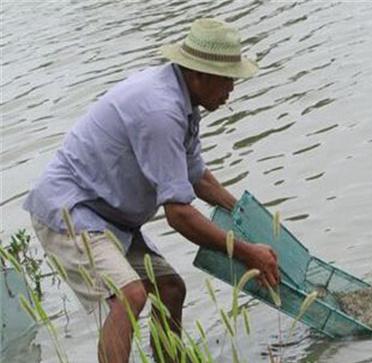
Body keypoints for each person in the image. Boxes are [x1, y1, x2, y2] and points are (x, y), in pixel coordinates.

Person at [23, 18, 280, 363]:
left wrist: (244, 217)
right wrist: (247, 252)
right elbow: (179, 215)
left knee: (170, 289)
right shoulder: (160, 110)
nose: (231, 89)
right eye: (227, 80)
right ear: (198, 75)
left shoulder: (184, 102)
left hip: (111, 218)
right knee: (129, 296)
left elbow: (197, 176)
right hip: (71, 212)